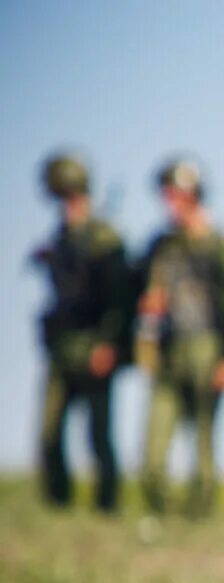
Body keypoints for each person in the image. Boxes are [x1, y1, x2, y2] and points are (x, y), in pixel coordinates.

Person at [136, 157, 224, 518]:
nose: (172, 204)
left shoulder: (220, 246)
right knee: (154, 446)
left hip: (208, 348)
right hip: (168, 350)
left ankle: (200, 514)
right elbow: (133, 291)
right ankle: (162, 512)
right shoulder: (160, 247)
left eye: (178, 196)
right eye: (168, 196)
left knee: (203, 440)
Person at [32, 151, 131, 514]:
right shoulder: (60, 238)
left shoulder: (105, 240)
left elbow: (120, 300)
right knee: (50, 430)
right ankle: (57, 502)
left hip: (94, 345)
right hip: (62, 346)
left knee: (98, 434)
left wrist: (109, 342)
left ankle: (106, 503)